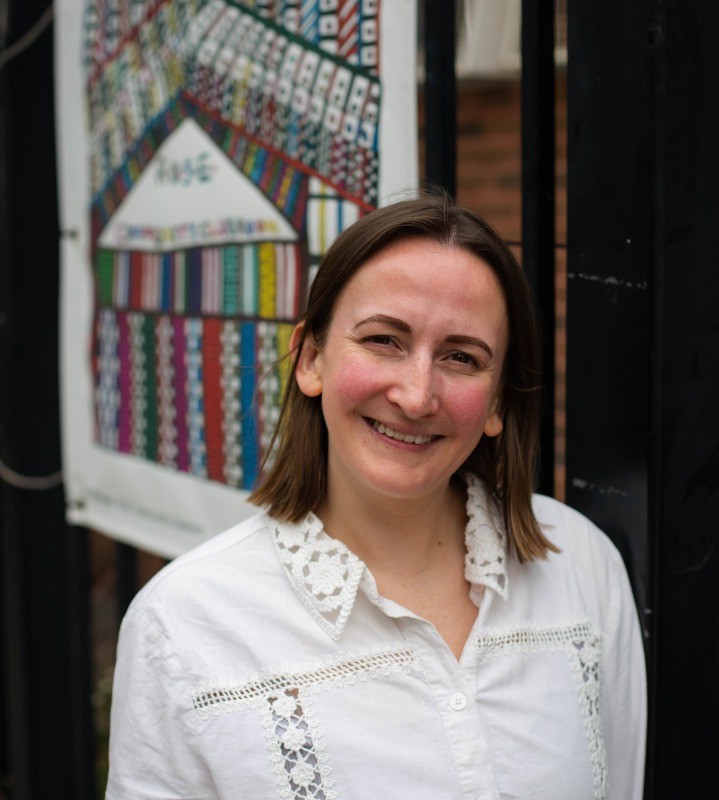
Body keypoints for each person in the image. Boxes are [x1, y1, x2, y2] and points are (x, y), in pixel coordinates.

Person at [106, 195, 646, 800]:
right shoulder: (182, 626)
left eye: (462, 357)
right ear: (311, 359)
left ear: (497, 401)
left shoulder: (581, 565)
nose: (417, 396)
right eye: (385, 340)